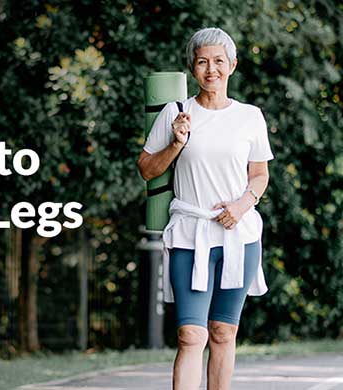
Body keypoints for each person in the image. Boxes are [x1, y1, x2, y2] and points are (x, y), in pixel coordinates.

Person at [137, 27, 274, 390]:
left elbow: (260, 175)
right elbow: (147, 169)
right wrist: (176, 144)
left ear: (232, 65)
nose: (210, 69)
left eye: (218, 61)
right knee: (190, 336)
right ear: (193, 68)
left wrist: (242, 205)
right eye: (202, 62)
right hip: (189, 235)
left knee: (223, 331)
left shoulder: (249, 116)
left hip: (237, 236)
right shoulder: (176, 112)